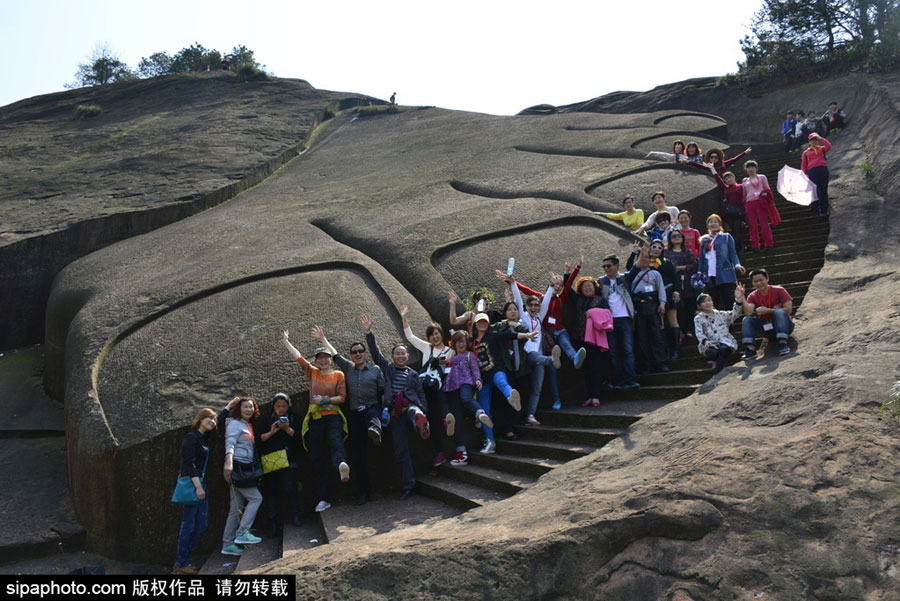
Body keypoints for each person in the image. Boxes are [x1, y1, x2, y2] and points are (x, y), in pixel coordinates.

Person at [311, 326, 384, 506]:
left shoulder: (375, 370)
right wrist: (323, 339)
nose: (358, 354)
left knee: (374, 415)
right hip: (354, 414)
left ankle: (376, 429)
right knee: (358, 456)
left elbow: (383, 391)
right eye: (354, 352)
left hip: (371, 408)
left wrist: (387, 410)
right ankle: (363, 492)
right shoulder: (348, 369)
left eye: (360, 351)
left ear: (365, 353)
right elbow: (334, 355)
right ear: (351, 355)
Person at [361, 313, 430, 499]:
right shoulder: (388, 369)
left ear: (407, 356)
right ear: (393, 356)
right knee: (401, 451)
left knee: (415, 411)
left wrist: (424, 410)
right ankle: (409, 485)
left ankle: (420, 422)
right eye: (397, 353)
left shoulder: (414, 375)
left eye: (403, 353)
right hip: (394, 412)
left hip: (410, 406)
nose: (400, 356)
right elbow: (375, 354)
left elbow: (421, 393)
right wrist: (369, 333)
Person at [281, 332, 350, 513]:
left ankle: (342, 465)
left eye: (326, 358)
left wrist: (325, 401)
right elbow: (299, 357)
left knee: (336, 442)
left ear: (330, 359)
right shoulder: (312, 372)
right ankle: (323, 499)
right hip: (315, 419)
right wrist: (286, 341)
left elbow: (342, 398)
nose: (323, 361)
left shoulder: (338, 375)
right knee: (316, 458)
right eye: (320, 358)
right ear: (317, 360)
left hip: (332, 415)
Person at [469, 311, 538, 453]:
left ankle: (511, 397)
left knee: (501, 381)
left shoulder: (492, 335)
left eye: (484, 322)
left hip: (496, 368)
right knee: (485, 409)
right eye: (479, 322)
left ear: (488, 324)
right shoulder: (471, 341)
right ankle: (490, 442)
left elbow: (510, 335)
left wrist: (527, 335)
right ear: (475, 325)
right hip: (482, 378)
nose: (482, 324)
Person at [400, 307, 455, 468]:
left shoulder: (449, 351)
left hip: (440, 387)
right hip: (424, 388)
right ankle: (427, 428)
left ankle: (446, 420)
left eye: (437, 333)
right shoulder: (427, 348)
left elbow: (453, 369)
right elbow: (410, 337)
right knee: (430, 420)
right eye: (432, 335)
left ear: (441, 334)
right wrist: (404, 317)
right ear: (429, 337)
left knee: (440, 404)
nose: (435, 337)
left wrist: (448, 364)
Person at [506, 272, 562, 422]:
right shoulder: (523, 316)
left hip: (539, 358)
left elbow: (547, 301)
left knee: (537, 388)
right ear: (526, 307)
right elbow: (517, 298)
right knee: (536, 357)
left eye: (536, 305)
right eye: (530, 305)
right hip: (526, 355)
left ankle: (530, 415)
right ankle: (552, 360)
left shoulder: (539, 317)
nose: (534, 307)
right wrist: (513, 283)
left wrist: (551, 286)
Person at [515, 265, 587, 370]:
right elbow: (525, 290)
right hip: (547, 332)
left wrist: (578, 267)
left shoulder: (561, 298)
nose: (558, 286)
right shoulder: (542, 297)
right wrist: (511, 281)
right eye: (556, 284)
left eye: (560, 285)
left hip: (559, 329)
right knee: (552, 363)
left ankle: (575, 358)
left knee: (566, 344)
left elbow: (569, 283)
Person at [173, 408, 217, 574]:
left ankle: (183, 560)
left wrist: (229, 406)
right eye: (209, 418)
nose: (212, 422)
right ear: (200, 419)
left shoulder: (204, 439)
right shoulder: (191, 437)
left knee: (201, 525)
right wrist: (198, 486)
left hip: (202, 485)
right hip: (194, 485)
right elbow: (189, 463)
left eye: (214, 420)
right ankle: (181, 563)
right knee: (188, 525)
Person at [220, 396, 264, 556]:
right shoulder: (234, 423)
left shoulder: (247, 425)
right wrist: (229, 462)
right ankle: (242, 533)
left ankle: (227, 544)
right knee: (256, 498)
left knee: (235, 509)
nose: (249, 410)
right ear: (238, 409)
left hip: (242, 469)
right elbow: (230, 442)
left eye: (251, 407)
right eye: (245, 407)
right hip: (237, 469)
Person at [443, 330, 493, 466]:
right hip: (452, 389)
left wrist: (478, 380)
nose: (461, 344)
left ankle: (479, 413)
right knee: (457, 421)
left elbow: (476, 370)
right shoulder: (451, 359)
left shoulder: (470, 355)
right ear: (453, 344)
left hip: (466, 383)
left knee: (466, 398)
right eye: (458, 341)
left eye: (463, 341)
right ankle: (461, 454)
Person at [256, 393, 303, 537]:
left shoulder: (294, 418)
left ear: (288, 406)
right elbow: (259, 439)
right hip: (271, 460)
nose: (281, 409)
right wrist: (272, 432)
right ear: (273, 407)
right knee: (271, 492)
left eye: (284, 406)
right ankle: (273, 523)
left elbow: (301, 438)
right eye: (278, 406)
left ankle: (296, 515)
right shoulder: (266, 420)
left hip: (289, 459)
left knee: (291, 488)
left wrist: (287, 429)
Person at [569, 274, 610, 406]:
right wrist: (567, 273)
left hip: (594, 339)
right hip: (580, 338)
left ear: (594, 287)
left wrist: (592, 312)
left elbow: (607, 314)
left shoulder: (600, 300)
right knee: (585, 369)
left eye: (589, 286)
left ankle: (596, 396)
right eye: (584, 287)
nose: (587, 288)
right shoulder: (579, 300)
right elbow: (568, 290)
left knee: (595, 367)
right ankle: (589, 396)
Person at [599, 255, 639, 389]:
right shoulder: (601, 281)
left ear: (616, 266)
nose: (606, 269)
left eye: (608, 266)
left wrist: (637, 253)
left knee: (627, 350)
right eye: (604, 266)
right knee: (613, 352)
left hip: (625, 318)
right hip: (609, 321)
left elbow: (636, 268)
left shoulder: (624, 278)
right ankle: (619, 380)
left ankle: (631, 379)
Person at [629, 243, 670, 373]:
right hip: (638, 308)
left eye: (647, 258)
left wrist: (662, 303)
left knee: (657, 336)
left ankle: (661, 363)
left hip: (652, 306)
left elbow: (661, 290)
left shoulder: (655, 274)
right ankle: (647, 364)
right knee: (642, 337)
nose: (645, 261)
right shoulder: (632, 274)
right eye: (643, 258)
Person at [741, 268, 794, 359]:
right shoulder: (752, 296)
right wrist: (742, 296)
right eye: (755, 281)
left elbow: (788, 309)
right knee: (747, 319)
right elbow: (748, 312)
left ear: (767, 279)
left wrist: (768, 310)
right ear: (752, 283)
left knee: (780, 312)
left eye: (761, 280)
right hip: (767, 328)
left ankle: (783, 343)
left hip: (784, 326)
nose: (759, 283)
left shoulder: (779, 290)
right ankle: (750, 349)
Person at [693, 284, 746, 374]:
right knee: (712, 353)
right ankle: (717, 363)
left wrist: (738, 300)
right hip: (710, 343)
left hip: (724, 340)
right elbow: (699, 332)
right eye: (704, 302)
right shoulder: (698, 318)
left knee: (724, 349)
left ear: (712, 302)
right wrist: (705, 341)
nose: (707, 303)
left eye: (709, 300)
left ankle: (717, 369)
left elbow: (735, 313)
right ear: (699, 306)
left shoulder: (721, 314)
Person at [697, 214, 746, 310]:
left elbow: (732, 253)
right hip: (710, 275)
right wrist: (699, 271)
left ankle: (730, 323)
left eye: (715, 222)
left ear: (720, 224)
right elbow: (702, 258)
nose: (713, 224)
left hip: (724, 272)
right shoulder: (705, 240)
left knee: (727, 300)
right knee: (714, 301)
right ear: (707, 225)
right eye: (711, 222)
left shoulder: (726, 237)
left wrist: (737, 264)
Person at [665, 229, 698, 352]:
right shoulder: (666, 253)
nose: (676, 238)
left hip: (688, 282)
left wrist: (681, 267)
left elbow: (694, 265)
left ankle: (690, 330)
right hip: (675, 283)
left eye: (679, 235)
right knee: (679, 308)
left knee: (690, 306)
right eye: (673, 236)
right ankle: (682, 331)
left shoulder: (688, 251)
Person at [742, 160, 779, 252]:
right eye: (748, 167)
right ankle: (755, 245)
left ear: (756, 168)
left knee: (764, 224)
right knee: (752, 225)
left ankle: (768, 243)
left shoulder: (762, 177)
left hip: (760, 202)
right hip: (750, 203)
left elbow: (768, 189)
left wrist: (765, 194)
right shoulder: (745, 181)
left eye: (752, 167)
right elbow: (744, 194)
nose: (751, 169)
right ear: (746, 170)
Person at [710, 167, 747, 253]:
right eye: (726, 178)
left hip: (739, 212)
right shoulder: (726, 188)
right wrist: (712, 168)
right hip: (729, 212)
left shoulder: (741, 186)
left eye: (730, 177)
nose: (728, 179)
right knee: (733, 230)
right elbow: (718, 179)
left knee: (737, 229)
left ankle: (737, 248)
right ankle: (737, 247)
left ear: (734, 177)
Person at [802, 132, 833, 217]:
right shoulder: (806, 152)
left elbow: (829, 145)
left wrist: (821, 138)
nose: (814, 141)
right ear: (809, 142)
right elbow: (804, 165)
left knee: (823, 189)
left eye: (815, 139)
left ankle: (824, 209)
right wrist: (805, 175)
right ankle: (815, 210)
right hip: (812, 171)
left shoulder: (821, 148)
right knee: (814, 190)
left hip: (823, 168)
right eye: (812, 140)